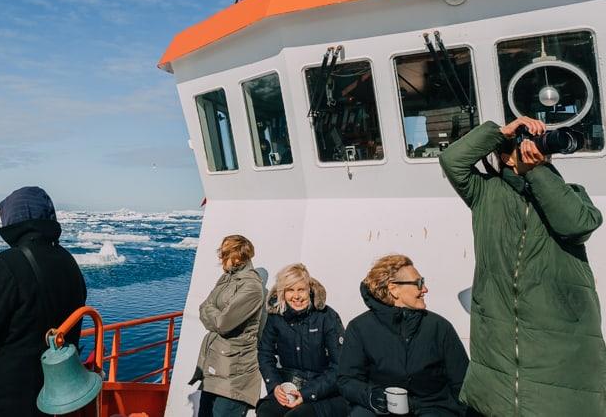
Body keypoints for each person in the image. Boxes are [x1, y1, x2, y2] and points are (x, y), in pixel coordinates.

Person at [439, 117, 606, 415]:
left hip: (560, 363)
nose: (537, 149)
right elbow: (452, 160)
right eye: (524, 145)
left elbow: (577, 226)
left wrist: (538, 172)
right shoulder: (485, 193)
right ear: (505, 156)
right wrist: (499, 131)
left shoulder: (571, 194)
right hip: (499, 368)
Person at [0, 186, 87, 417]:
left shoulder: (9, 264)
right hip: (51, 400)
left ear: (12, 218)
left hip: (1, 404)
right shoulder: (69, 262)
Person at [338, 254, 468, 416]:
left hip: (432, 408)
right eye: (419, 283)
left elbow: (462, 383)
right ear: (393, 289)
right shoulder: (360, 327)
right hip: (382, 410)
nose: (425, 289)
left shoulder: (439, 327)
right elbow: (347, 379)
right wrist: (371, 395)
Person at [257, 263, 348, 417]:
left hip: (322, 390)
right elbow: (265, 353)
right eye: (290, 290)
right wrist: (274, 385)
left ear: (309, 290)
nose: (296, 296)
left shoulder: (326, 316)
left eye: (301, 290)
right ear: (282, 293)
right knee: (266, 412)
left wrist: (306, 394)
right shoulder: (276, 317)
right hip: (288, 386)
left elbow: (339, 365)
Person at [191, 234, 266, 417]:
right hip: (215, 367)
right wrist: (213, 313)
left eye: (224, 254)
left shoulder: (252, 287)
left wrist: (213, 313)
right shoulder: (226, 279)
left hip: (234, 374)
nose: (220, 258)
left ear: (239, 256)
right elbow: (203, 307)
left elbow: (222, 323)